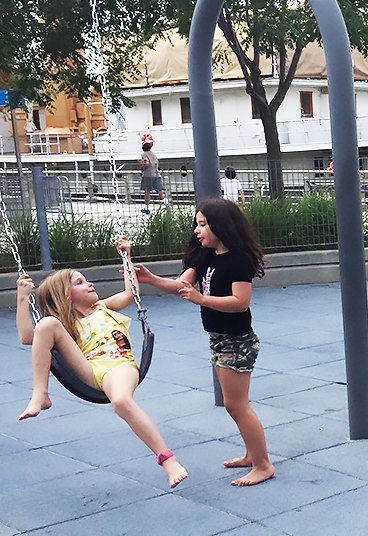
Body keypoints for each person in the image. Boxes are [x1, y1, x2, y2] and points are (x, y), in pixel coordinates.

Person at [15, 237, 188, 489]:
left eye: (86, 279)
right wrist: (22, 298)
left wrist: (125, 257)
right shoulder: (65, 324)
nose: (89, 283)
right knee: (46, 324)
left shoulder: (103, 307)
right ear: (65, 296)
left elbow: (131, 293)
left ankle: (167, 460)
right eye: (80, 282)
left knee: (120, 401)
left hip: (120, 366)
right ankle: (40, 393)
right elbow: (27, 337)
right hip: (92, 369)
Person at [135, 199, 273, 486]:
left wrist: (201, 299)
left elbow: (240, 302)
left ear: (220, 226)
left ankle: (263, 464)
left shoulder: (237, 261)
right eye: (196, 224)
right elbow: (180, 285)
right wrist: (150, 279)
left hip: (237, 341)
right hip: (219, 341)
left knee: (237, 405)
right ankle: (252, 454)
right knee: (234, 404)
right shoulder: (205, 256)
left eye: (202, 224)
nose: (197, 231)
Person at [139, 141, 166, 213]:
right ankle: (166, 203)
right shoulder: (154, 155)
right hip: (157, 174)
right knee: (159, 191)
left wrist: (141, 164)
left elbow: (146, 163)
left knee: (147, 192)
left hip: (148, 176)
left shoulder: (144, 154)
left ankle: (147, 208)